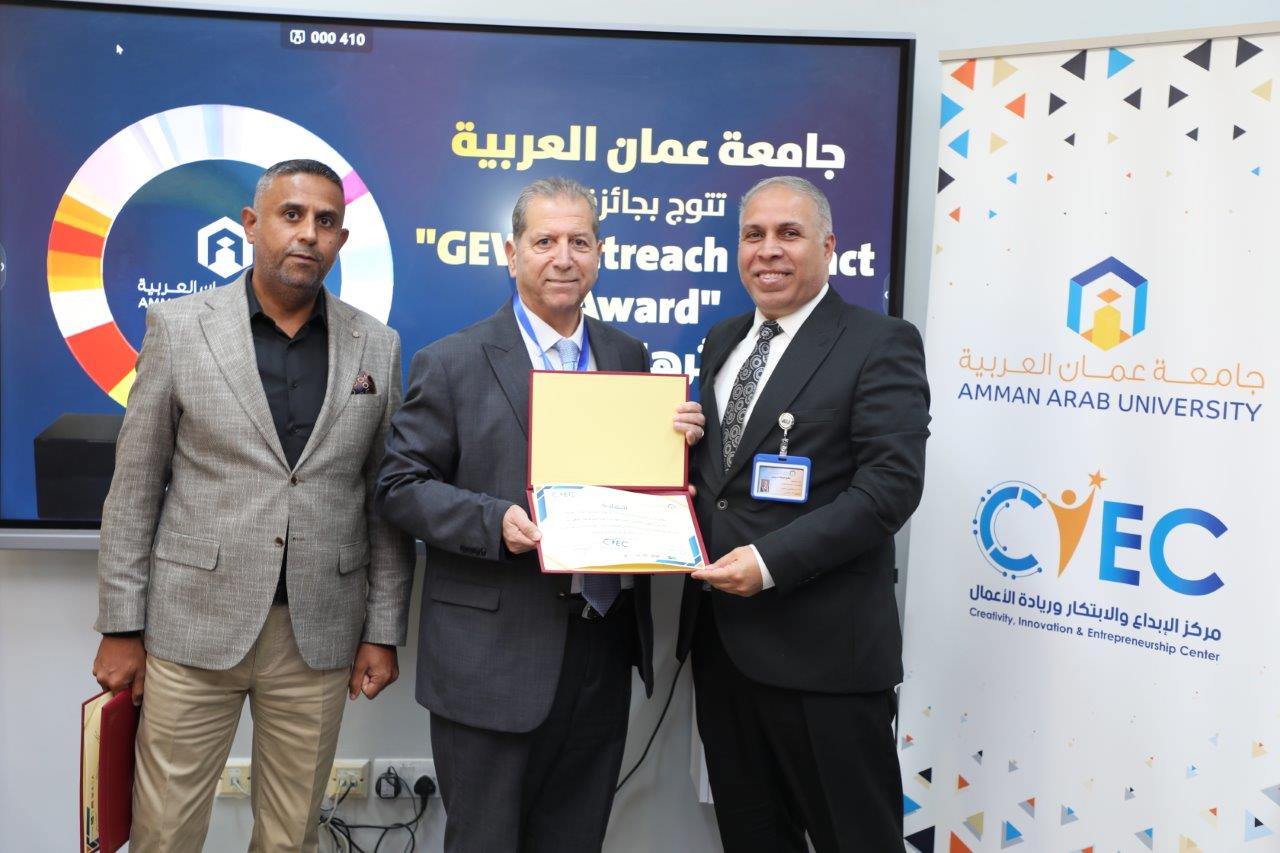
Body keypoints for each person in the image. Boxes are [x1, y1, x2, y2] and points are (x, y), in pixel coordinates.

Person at [91, 159, 415, 851]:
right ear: (251, 223)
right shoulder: (180, 327)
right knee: (164, 832)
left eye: (325, 221)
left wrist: (383, 629)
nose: (308, 234)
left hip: (318, 634)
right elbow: (135, 487)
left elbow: (382, 502)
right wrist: (121, 624)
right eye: (291, 214)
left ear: (341, 238)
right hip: (191, 628)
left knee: (290, 836)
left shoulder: (378, 346)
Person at [376, 177, 704, 852]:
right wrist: (492, 521)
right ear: (512, 253)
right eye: (545, 241)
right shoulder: (453, 361)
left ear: (600, 253)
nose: (563, 257)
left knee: (575, 840)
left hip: (602, 648)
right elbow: (399, 486)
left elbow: (628, 483)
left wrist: (676, 464)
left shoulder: (628, 356)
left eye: (579, 242)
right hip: (491, 658)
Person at [676, 176, 930, 852]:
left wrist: (768, 563)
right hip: (723, 648)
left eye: (788, 233)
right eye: (753, 235)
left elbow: (890, 488)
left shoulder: (879, 341)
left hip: (826, 656)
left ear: (828, 245)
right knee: (753, 837)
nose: (768, 250)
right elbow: (725, 483)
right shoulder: (723, 340)